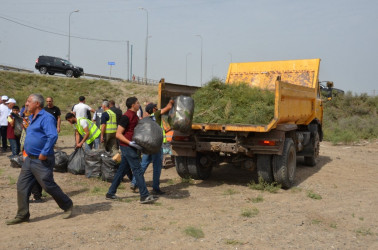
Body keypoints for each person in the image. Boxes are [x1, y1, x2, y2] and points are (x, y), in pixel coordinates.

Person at [6, 94, 73, 225]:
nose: (26, 103)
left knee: (47, 185)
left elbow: (52, 136)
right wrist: (25, 152)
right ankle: (23, 215)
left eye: (29, 101)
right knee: (22, 186)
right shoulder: (32, 117)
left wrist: (44, 152)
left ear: (37, 104)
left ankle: (67, 205)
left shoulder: (46, 118)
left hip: (41, 160)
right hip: (29, 159)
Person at [106, 96, 157, 204]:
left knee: (122, 170)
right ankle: (144, 195)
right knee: (137, 169)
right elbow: (118, 134)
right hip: (127, 146)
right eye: (138, 103)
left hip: (132, 146)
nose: (139, 105)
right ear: (133, 105)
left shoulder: (134, 115)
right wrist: (129, 143)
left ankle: (110, 193)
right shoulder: (126, 116)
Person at [130, 100, 174, 195]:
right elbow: (168, 107)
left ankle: (134, 182)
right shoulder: (157, 114)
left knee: (143, 164)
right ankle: (155, 188)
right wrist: (171, 101)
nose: (157, 108)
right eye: (155, 107)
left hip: (147, 145)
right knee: (157, 167)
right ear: (153, 109)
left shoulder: (146, 118)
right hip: (156, 145)